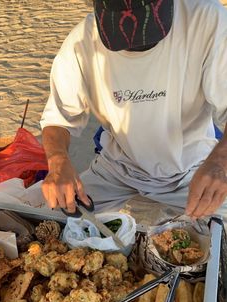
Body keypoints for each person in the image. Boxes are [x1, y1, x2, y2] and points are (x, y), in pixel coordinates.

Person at [40, 0, 227, 223]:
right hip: (116, 171)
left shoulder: (206, 20)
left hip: (194, 171)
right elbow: (58, 119)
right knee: (47, 221)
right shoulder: (82, 41)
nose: (135, 41)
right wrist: (58, 161)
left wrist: (219, 163)